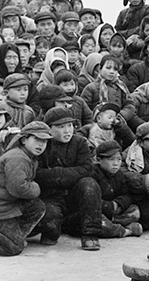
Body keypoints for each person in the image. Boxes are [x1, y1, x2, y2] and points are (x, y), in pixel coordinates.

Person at [0, 121, 50, 256]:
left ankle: (11, 235)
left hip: (5, 203)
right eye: (37, 139)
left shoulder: (28, 156)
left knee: (37, 207)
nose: (41, 144)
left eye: (44, 141)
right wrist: (36, 188)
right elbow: (18, 189)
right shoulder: (18, 157)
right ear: (24, 140)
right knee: (13, 248)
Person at [34, 107, 103, 251]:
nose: (67, 131)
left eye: (70, 125)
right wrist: (65, 175)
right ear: (49, 128)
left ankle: (90, 234)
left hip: (73, 196)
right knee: (50, 229)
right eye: (61, 127)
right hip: (50, 197)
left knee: (89, 184)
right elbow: (37, 173)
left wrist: (57, 174)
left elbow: (87, 169)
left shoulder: (79, 142)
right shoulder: (41, 144)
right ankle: (58, 229)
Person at [91, 140, 143, 238]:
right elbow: (90, 199)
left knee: (135, 211)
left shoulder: (119, 175)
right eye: (111, 159)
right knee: (95, 220)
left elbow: (126, 195)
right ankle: (125, 231)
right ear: (99, 160)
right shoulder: (93, 174)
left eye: (119, 159)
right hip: (98, 210)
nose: (116, 163)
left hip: (114, 210)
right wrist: (107, 206)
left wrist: (117, 204)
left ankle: (114, 224)